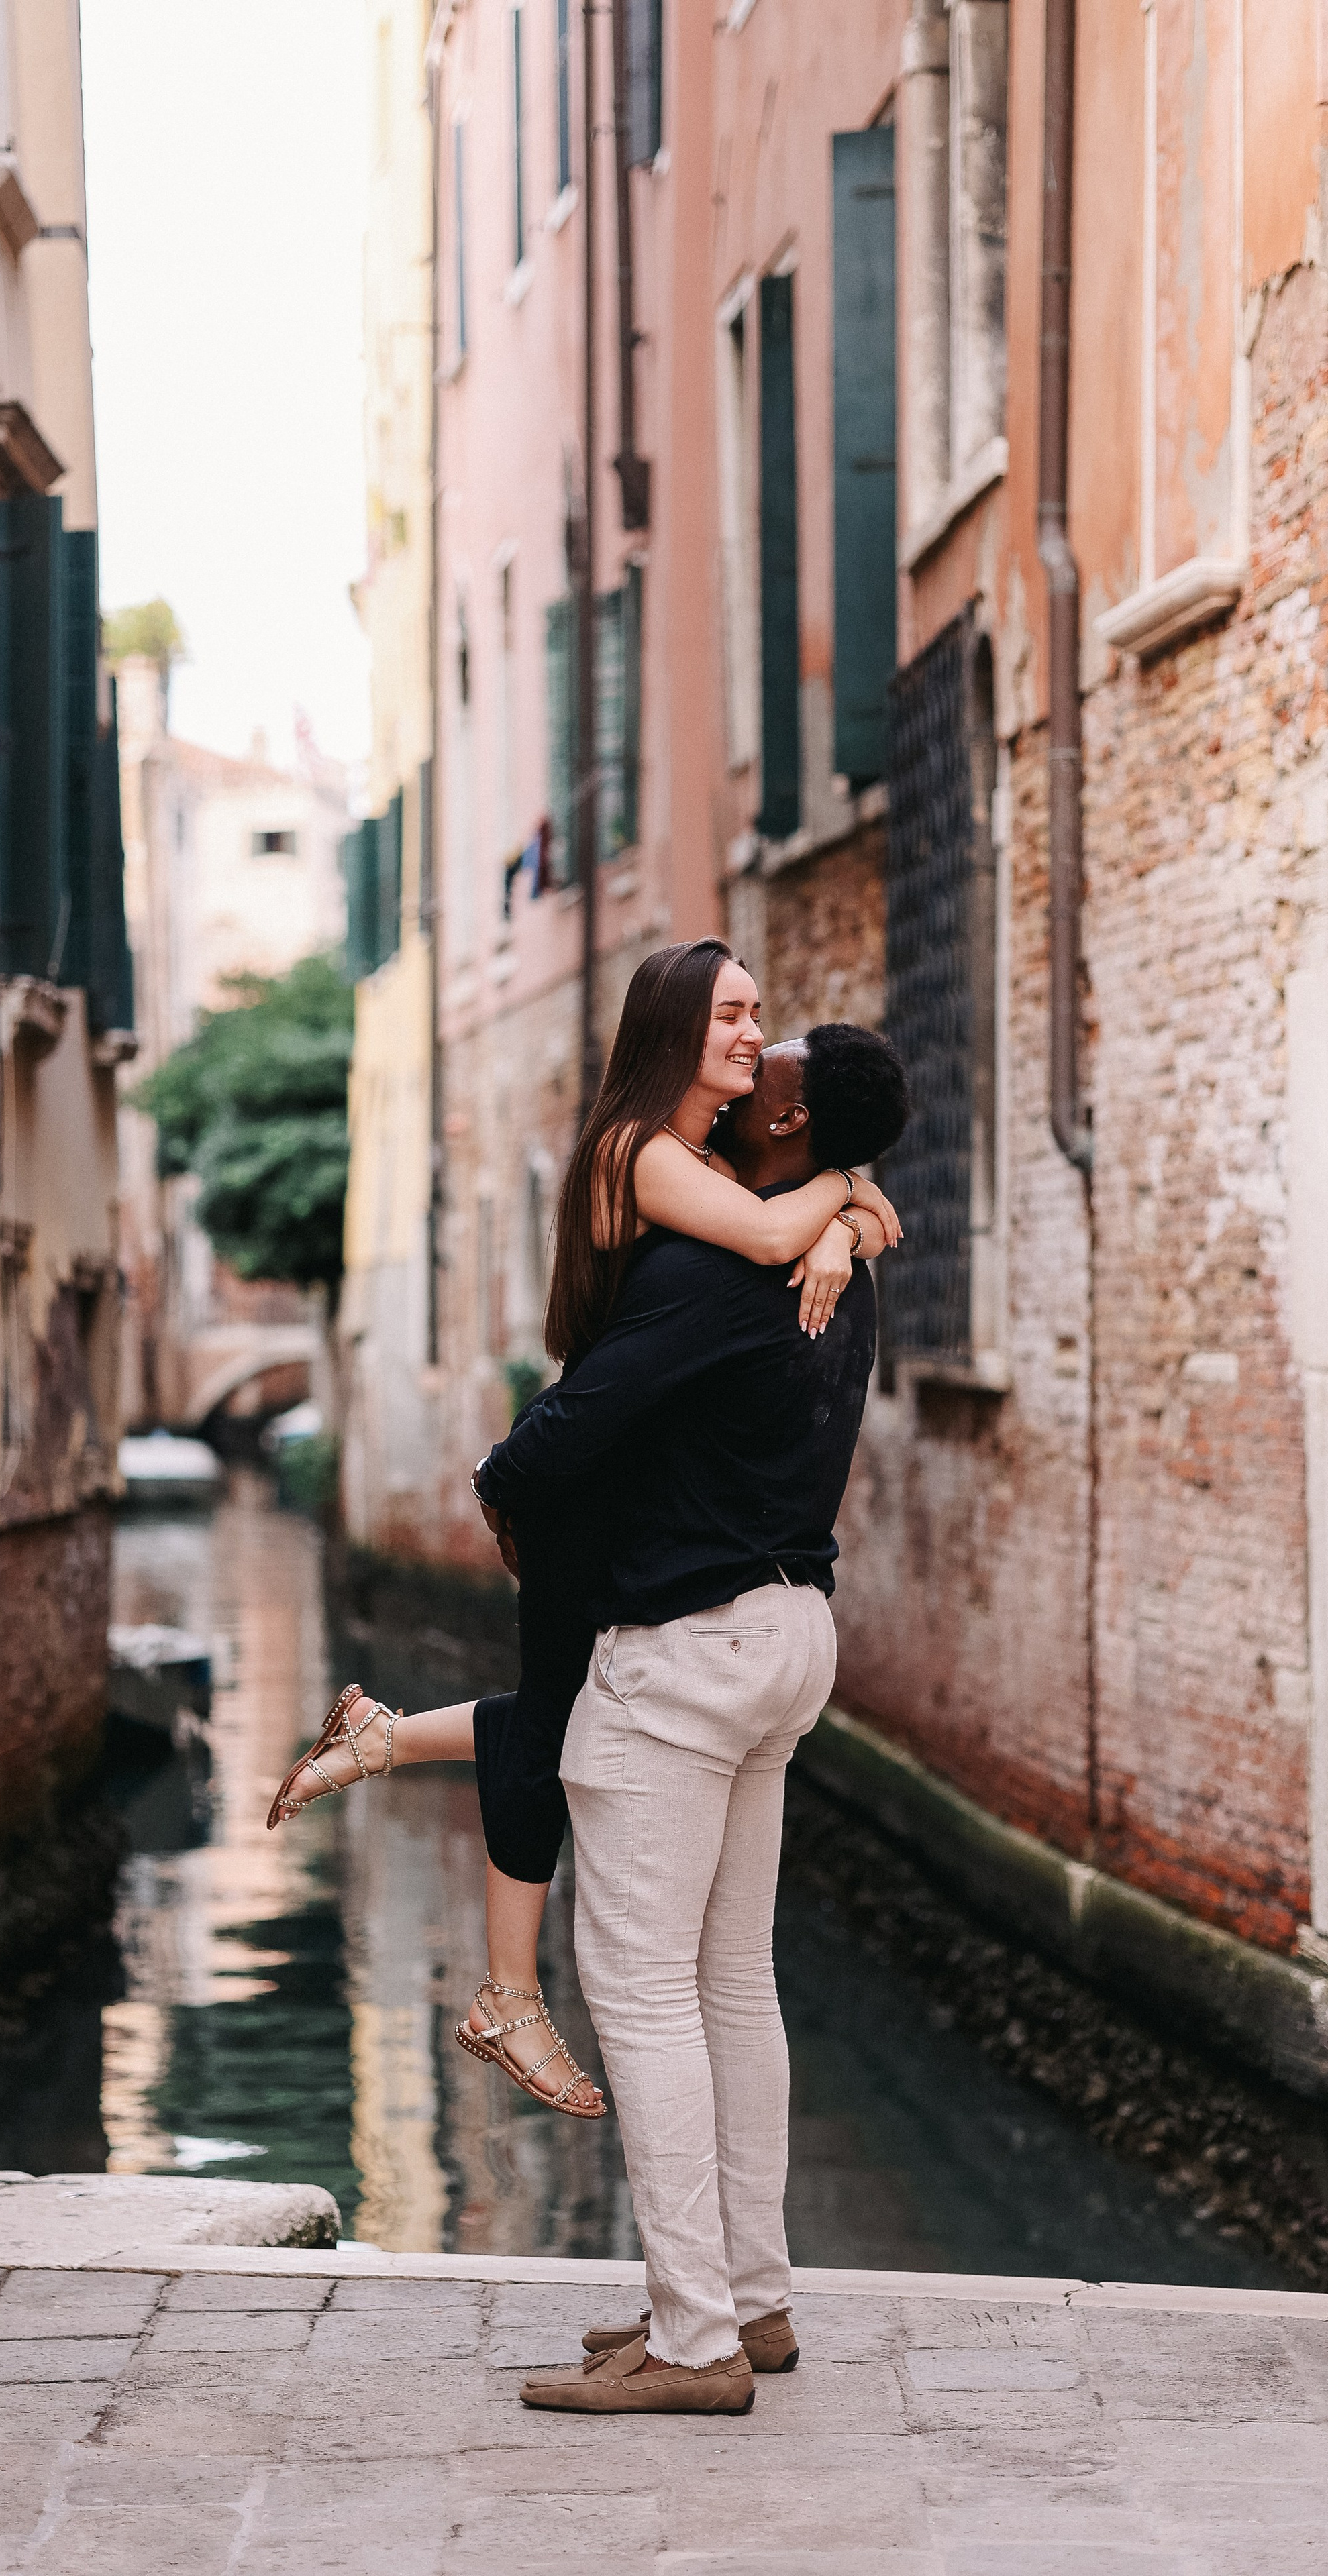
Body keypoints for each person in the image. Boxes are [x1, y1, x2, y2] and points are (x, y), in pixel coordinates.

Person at [266, 938, 902, 2123]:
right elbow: (766, 1239)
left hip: (616, 1476)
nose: (752, 1033)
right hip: (582, 1477)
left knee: (559, 1712)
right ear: (670, 1029)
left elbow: (774, 1213)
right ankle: (507, 1991)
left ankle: (381, 1744)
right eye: (728, 1014)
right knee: (555, 1721)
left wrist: (845, 1216)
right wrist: (849, 1201)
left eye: (760, 1012)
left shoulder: (706, 1153)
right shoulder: (636, 1150)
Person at [472, 1006, 907, 2415]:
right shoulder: (838, 1262)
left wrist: (513, 1497)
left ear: (784, 1123)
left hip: (685, 1654)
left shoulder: (711, 1271)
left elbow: (561, 1437)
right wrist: (842, 1200)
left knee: (646, 1993)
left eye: (765, 1067)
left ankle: (691, 2340)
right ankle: (751, 2304)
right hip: (792, 1634)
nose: (747, 1068)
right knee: (732, 1982)